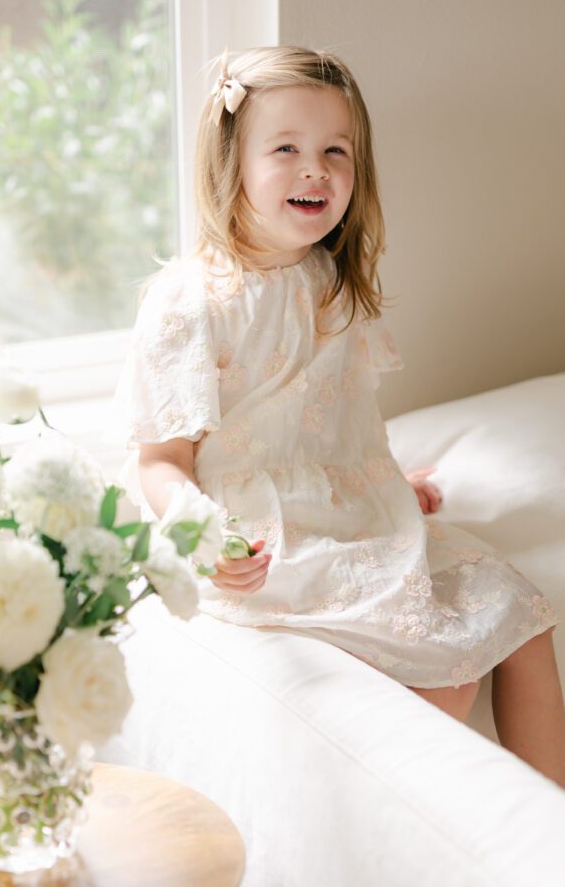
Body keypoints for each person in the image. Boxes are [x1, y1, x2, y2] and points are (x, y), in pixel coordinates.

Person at [113, 45, 565, 787]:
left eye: (334, 151)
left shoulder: (327, 280)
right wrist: (202, 536)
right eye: (285, 148)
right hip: (263, 530)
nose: (314, 169)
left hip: (349, 506)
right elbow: (159, 462)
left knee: (522, 613)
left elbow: (342, 413)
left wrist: (381, 478)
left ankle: (543, 832)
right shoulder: (190, 302)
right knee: (446, 680)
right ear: (232, 163)